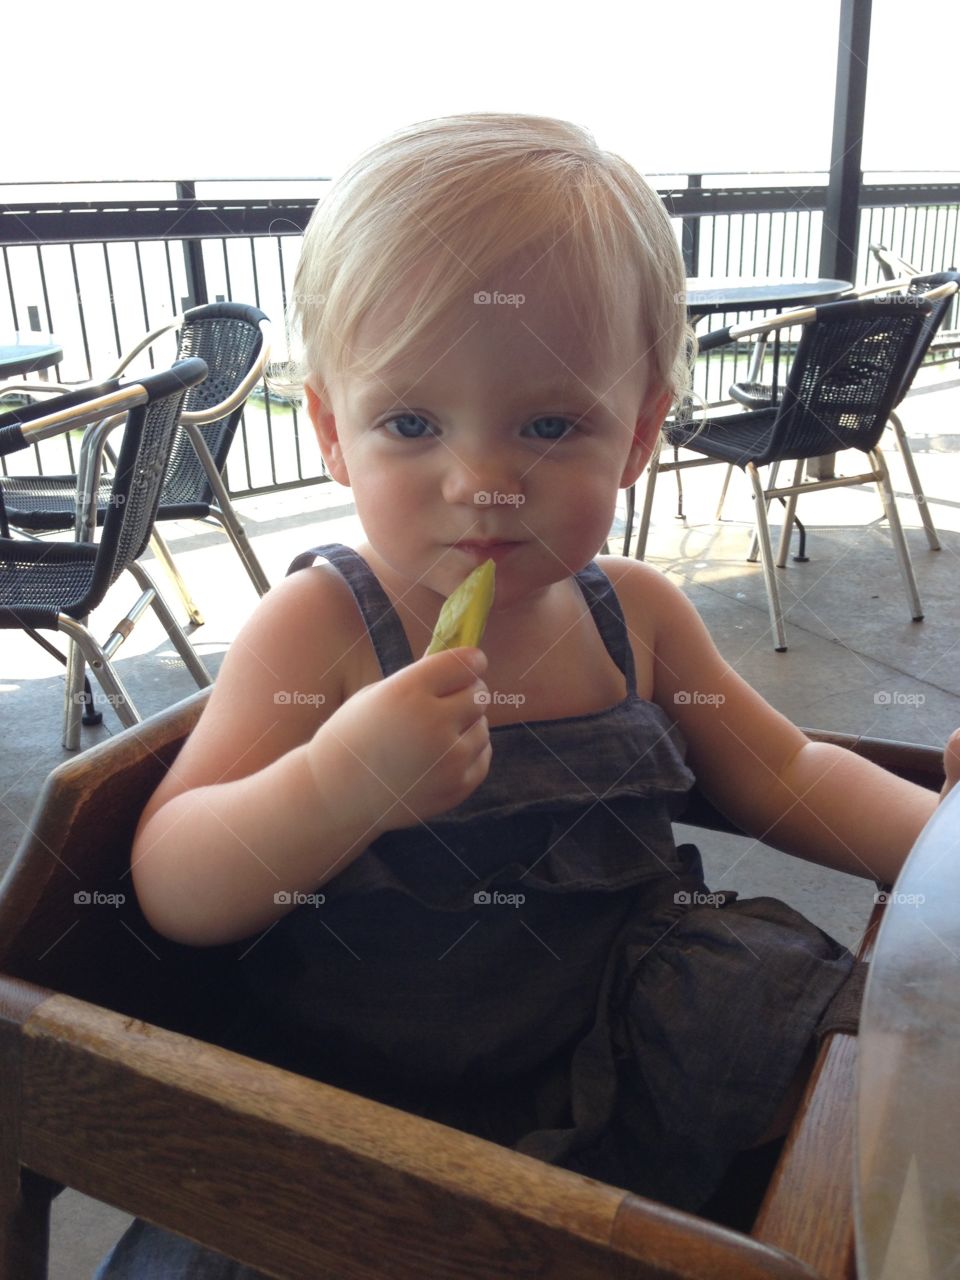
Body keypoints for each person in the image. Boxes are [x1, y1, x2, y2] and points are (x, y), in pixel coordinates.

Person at [94, 113, 960, 1278]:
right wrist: (339, 781)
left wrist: (942, 846)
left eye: (551, 425)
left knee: (871, 1082)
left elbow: (791, 777)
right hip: (371, 1104)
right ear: (334, 435)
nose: (484, 483)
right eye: (411, 422)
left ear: (641, 432)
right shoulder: (328, 627)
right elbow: (173, 880)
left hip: (628, 1036)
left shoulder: (637, 614)